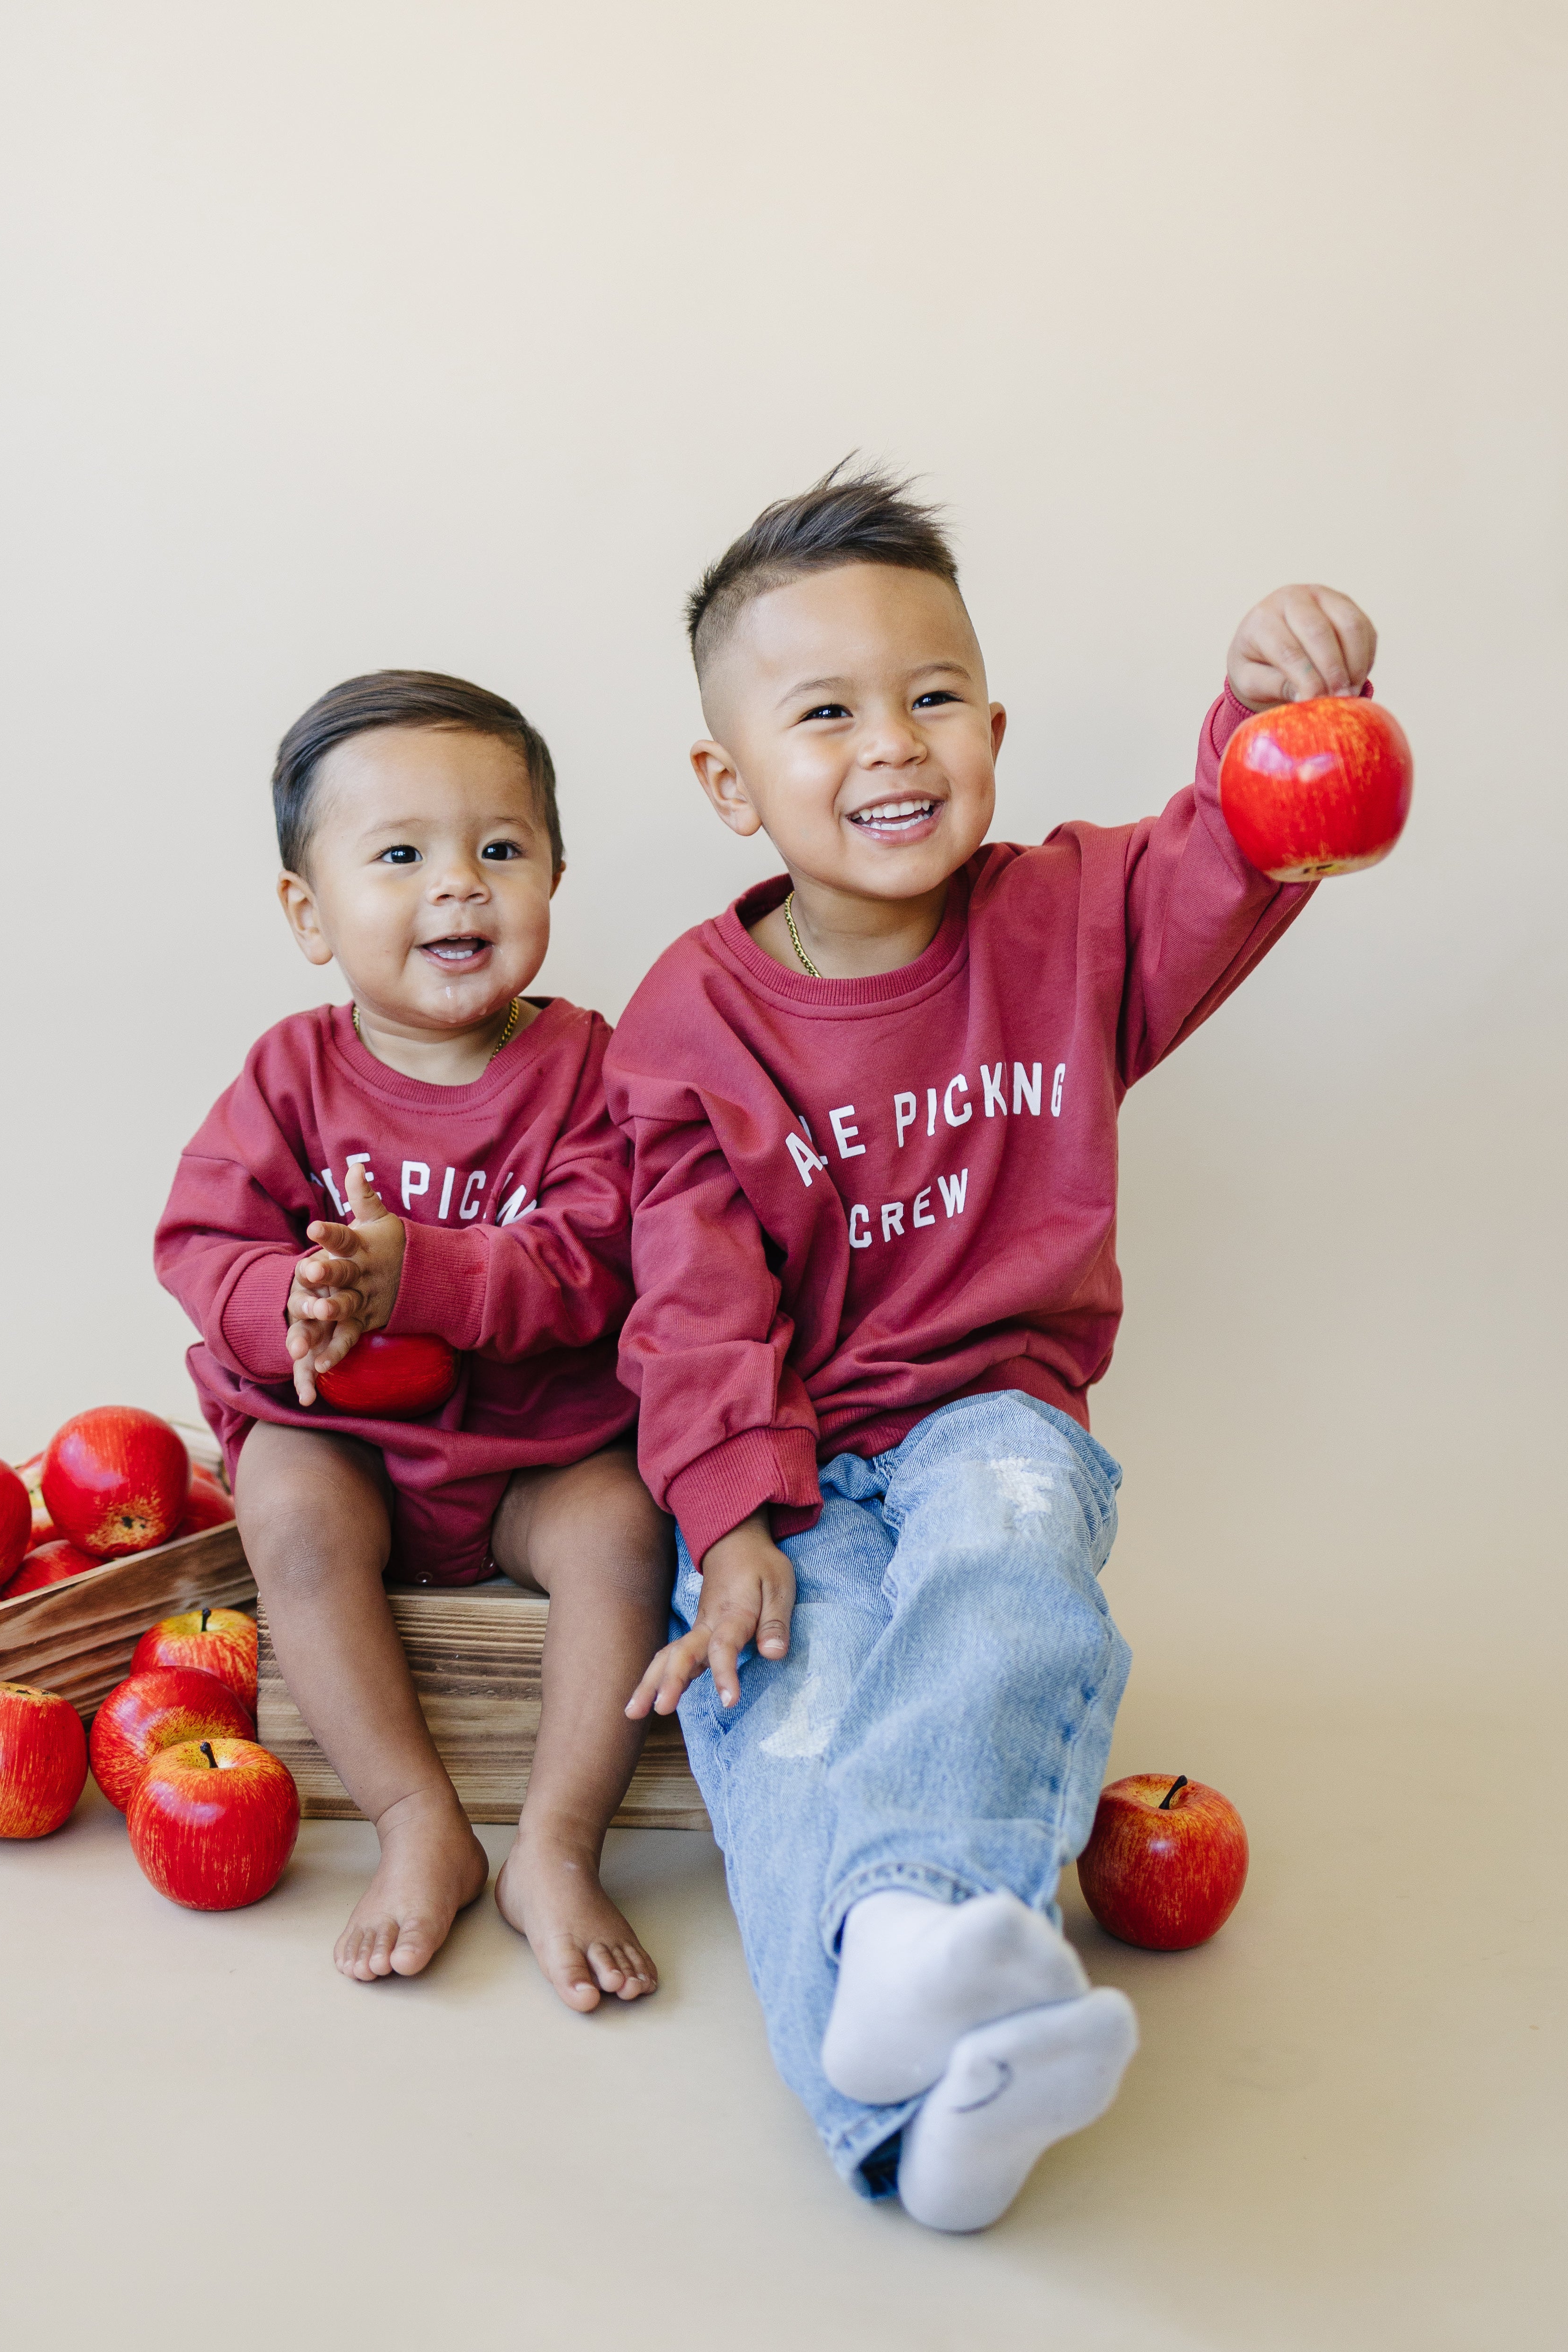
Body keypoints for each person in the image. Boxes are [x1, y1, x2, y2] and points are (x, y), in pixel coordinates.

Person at [607, 466, 1378, 2228]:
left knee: (1013, 1558)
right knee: (789, 1716)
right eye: (826, 714)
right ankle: (927, 2113)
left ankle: (916, 1945)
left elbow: (1233, 852)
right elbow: (691, 1305)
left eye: (933, 696)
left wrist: (1271, 710)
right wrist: (728, 1528)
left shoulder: (1068, 921)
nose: (893, 744)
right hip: (787, 1466)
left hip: (990, 1414)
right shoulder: (685, 1025)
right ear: (731, 785)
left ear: (995, 723)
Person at [157, 671, 673, 2011]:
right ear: (308, 912)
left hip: (530, 1456)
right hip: (354, 1450)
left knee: (624, 1528)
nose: (459, 886)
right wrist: (287, 1300)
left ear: (556, 872)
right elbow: (199, 1240)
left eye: (500, 849)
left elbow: (599, 1263)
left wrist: (426, 1275)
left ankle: (555, 1843)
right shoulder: (290, 1076)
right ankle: (412, 1818)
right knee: (283, 1497)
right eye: (400, 856)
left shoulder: (590, 1073)